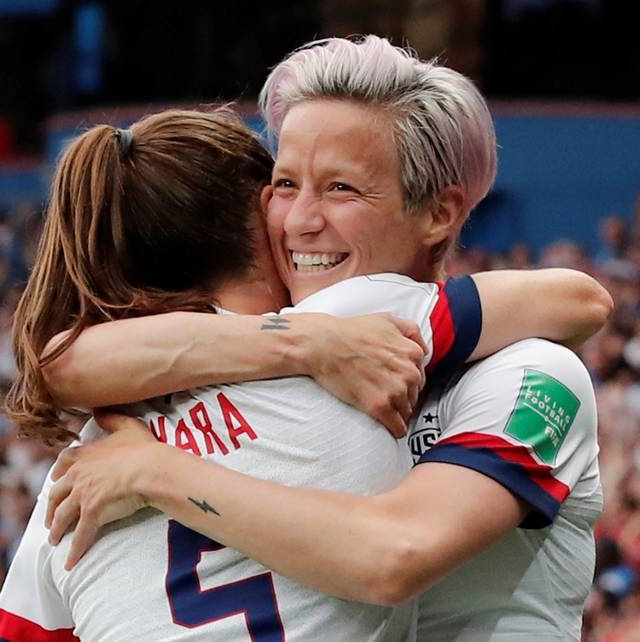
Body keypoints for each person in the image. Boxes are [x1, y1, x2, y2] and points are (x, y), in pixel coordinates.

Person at [44, 36, 608, 641]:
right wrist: (302, 344)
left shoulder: (533, 374)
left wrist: (156, 472)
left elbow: (396, 554)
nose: (300, 221)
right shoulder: (179, 394)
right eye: (285, 185)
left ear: (439, 214)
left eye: (341, 189)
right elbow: (66, 364)